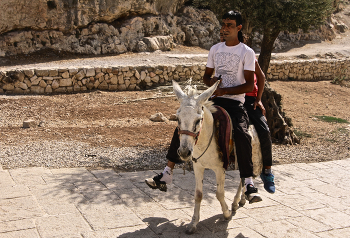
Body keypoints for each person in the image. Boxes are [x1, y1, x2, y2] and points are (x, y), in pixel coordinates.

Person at [146, 10, 262, 203]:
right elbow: (206, 77)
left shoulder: (247, 52)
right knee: (185, 121)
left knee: (242, 134)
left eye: (229, 25)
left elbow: (250, 85)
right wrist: (212, 82)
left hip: (234, 103)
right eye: (223, 24)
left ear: (239, 28)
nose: (224, 28)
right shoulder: (215, 49)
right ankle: (167, 173)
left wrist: (226, 91)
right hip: (213, 100)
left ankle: (248, 182)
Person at [220, 26, 275, 193]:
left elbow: (261, 77)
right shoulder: (222, 55)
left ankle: (267, 171)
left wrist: (259, 100)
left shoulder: (248, 56)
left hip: (249, 99)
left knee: (264, 130)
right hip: (231, 98)